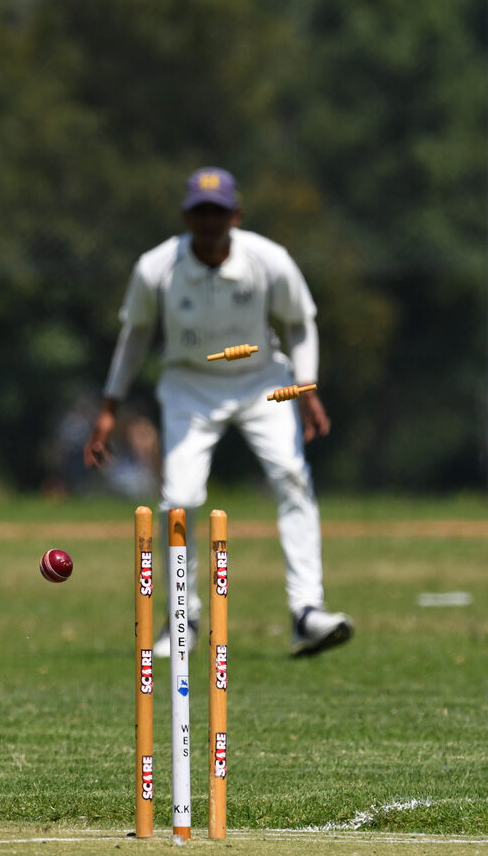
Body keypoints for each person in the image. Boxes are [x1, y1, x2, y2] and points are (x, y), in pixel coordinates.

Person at [84, 167, 352, 659]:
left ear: (236, 216)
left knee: (292, 475)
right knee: (179, 499)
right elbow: (135, 335)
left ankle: (306, 612)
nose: (209, 221)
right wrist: (109, 407)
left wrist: (307, 386)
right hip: (189, 385)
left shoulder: (269, 260)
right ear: (187, 217)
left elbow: (299, 323)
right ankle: (181, 619)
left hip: (262, 381)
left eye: (219, 212)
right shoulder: (156, 268)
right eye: (201, 212)